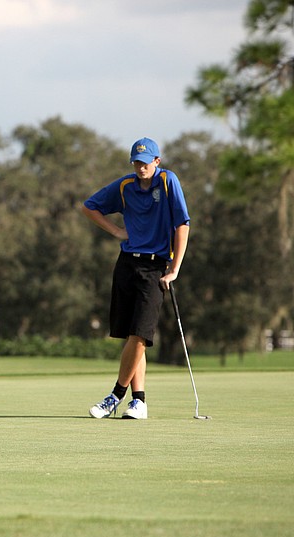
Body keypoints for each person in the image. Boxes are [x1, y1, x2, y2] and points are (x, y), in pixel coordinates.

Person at [81, 137, 190, 419]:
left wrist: (174, 268)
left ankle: (116, 395)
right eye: (137, 162)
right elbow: (89, 206)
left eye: (146, 162)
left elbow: (182, 224)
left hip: (156, 267)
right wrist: (116, 231)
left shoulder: (168, 182)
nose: (141, 167)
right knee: (132, 336)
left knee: (140, 334)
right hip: (127, 264)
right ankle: (138, 401)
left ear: (157, 161)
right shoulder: (124, 186)